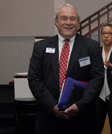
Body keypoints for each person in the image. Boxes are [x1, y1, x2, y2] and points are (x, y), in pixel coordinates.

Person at [27, 3, 104, 134]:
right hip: (48, 118)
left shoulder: (92, 46)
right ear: (56, 22)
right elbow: (34, 78)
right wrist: (52, 106)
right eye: (63, 18)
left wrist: (80, 105)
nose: (68, 22)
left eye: (72, 18)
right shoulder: (41, 47)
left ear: (78, 23)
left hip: (82, 118)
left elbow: (97, 78)